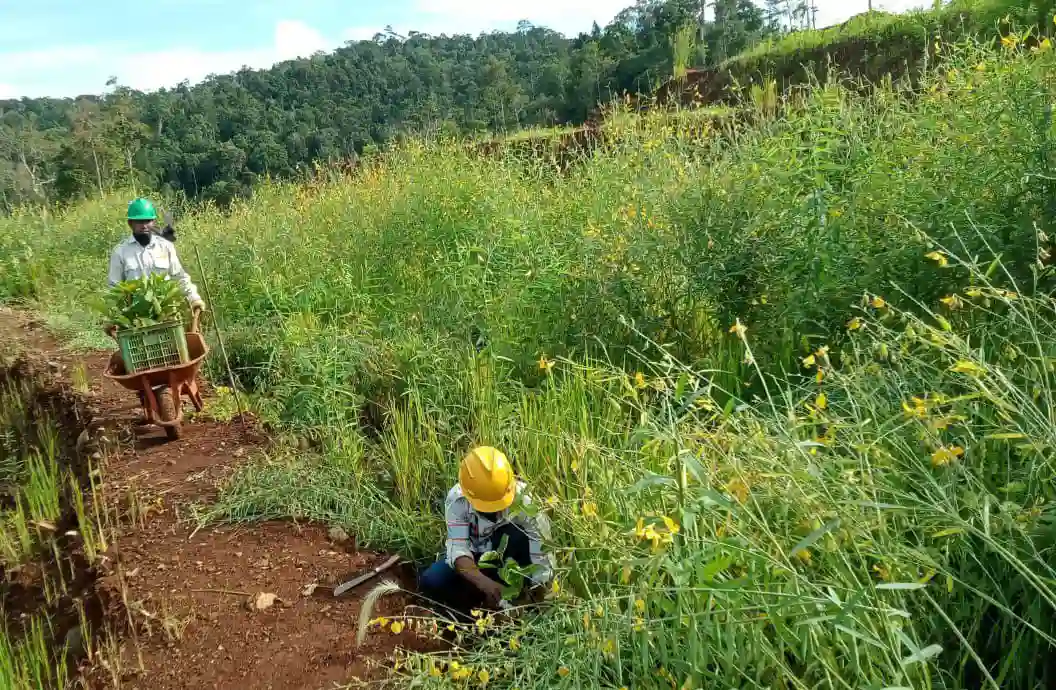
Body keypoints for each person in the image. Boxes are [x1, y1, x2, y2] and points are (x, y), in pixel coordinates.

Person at [420, 446, 553, 614]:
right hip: (477, 559)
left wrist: (534, 600)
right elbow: (459, 549)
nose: (494, 511)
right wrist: (484, 584)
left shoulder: (527, 503)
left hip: (513, 559)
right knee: (432, 581)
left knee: (517, 536)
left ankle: (518, 597)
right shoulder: (458, 500)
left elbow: (543, 562)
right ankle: (471, 612)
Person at [107, 197, 205, 326]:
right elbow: (115, 288)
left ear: (153, 222)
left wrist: (194, 298)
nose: (144, 225)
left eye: (147, 221)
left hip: (167, 314)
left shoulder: (166, 247)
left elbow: (180, 277)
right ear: (130, 223)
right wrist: (113, 317)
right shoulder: (120, 252)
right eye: (139, 222)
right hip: (136, 321)